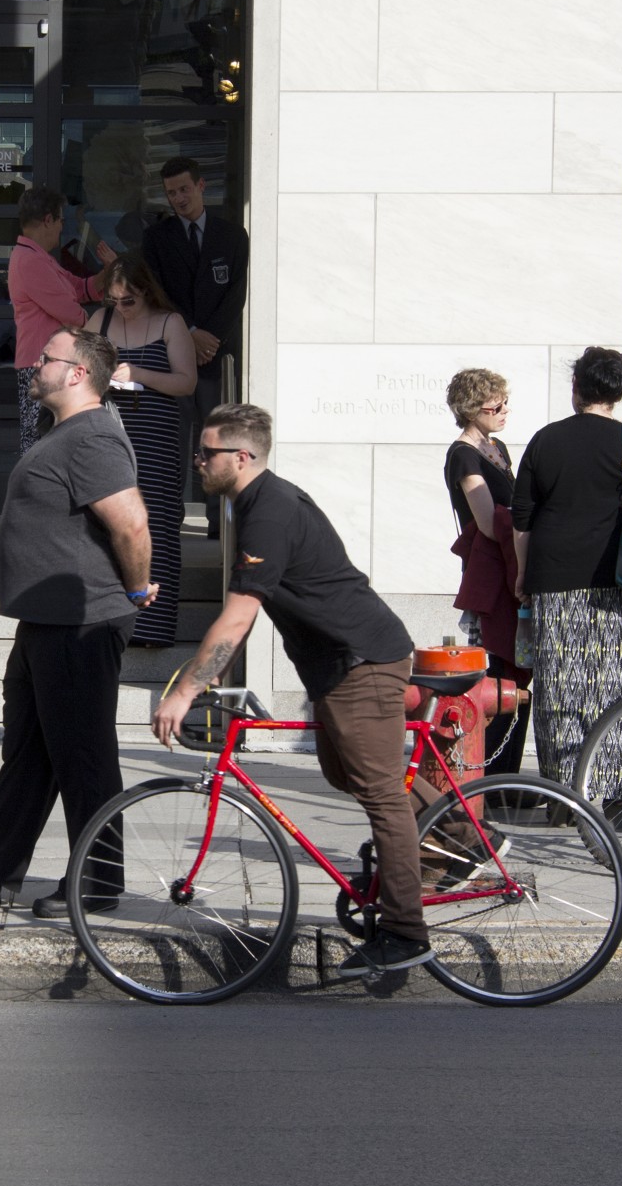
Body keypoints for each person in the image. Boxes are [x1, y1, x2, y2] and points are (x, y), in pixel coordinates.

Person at [152, 402, 433, 979]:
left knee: (379, 791)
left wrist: (185, 689)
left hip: (362, 660)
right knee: (347, 773)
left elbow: (237, 619)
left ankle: (405, 933)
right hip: (340, 663)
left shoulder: (269, 513)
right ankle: (461, 838)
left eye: (207, 453)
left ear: (242, 456)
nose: (196, 462)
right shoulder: (257, 504)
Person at [0, 326, 158, 917]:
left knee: (83, 755)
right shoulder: (66, 432)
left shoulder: (92, 435)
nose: (36, 363)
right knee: (29, 750)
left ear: (77, 374)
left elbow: (132, 524)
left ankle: (97, 883)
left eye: (48, 357)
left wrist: (137, 587)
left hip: (80, 621)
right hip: (48, 619)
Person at [512, 345, 622, 812]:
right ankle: (614, 796)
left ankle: (564, 796)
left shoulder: (546, 440)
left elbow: (522, 519)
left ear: (577, 390)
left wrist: (524, 574)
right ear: (621, 392)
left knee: (563, 689)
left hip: (557, 583)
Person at [84, 251, 196, 646]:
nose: (121, 309)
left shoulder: (170, 322)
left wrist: (139, 374)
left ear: (146, 291)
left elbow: (186, 383)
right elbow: (80, 372)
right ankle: (109, 620)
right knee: (106, 520)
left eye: (128, 301)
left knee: (157, 523)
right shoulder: (101, 321)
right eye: (114, 301)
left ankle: (152, 627)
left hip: (157, 436)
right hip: (111, 432)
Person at [141, 156, 249, 534]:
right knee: (173, 442)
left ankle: (219, 521)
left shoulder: (233, 236)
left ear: (202, 186)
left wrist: (208, 337)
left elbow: (236, 296)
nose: (179, 198)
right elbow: (157, 292)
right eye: (171, 193)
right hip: (174, 355)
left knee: (217, 440)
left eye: (184, 189)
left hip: (217, 356)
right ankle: (169, 521)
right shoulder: (157, 239)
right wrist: (188, 330)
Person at [442, 367, 529, 771]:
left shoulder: (498, 447)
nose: (504, 409)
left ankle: (505, 772)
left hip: (507, 568)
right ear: (471, 407)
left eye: (505, 401)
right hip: (492, 574)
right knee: (499, 671)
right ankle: (490, 772)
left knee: (517, 671)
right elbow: (491, 524)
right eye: (496, 404)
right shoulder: (463, 454)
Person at [8, 187, 115, 454]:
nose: (61, 227)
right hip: (42, 366)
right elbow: (72, 313)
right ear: (48, 220)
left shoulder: (37, 257)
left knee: (53, 443)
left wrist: (109, 270)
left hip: (52, 363)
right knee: (42, 445)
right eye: (60, 220)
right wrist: (99, 323)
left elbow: (81, 288)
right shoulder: (29, 261)